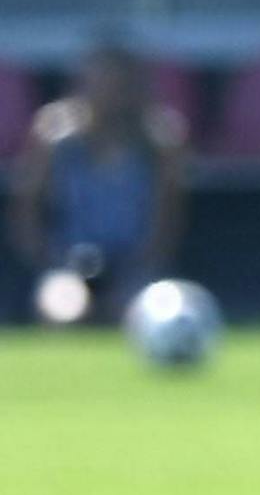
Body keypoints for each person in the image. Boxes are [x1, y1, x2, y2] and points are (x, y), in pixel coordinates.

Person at [7, 41, 186, 322]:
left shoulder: (159, 144)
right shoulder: (54, 139)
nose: (110, 94)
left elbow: (165, 224)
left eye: (119, 85)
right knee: (63, 312)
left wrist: (136, 268)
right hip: (67, 266)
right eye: (101, 82)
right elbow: (27, 211)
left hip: (133, 270)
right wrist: (48, 261)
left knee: (137, 313)